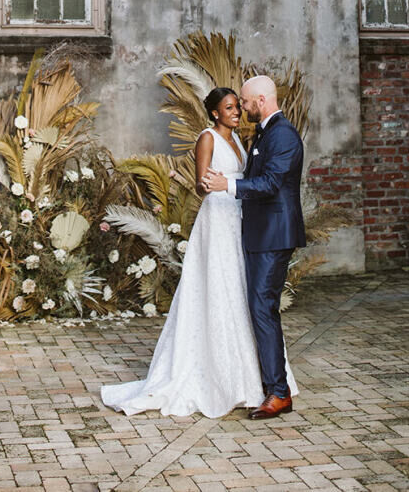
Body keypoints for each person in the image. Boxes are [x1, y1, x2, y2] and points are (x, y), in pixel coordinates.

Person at [101, 87, 298, 418]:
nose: (236, 112)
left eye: (239, 106)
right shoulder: (207, 138)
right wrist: (212, 184)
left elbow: (257, 179)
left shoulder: (242, 141)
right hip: (219, 218)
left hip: (241, 218)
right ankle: (220, 376)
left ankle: (250, 377)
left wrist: (230, 184)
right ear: (214, 113)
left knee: (242, 294)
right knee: (220, 289)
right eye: (230, 107)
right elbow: (199, 185)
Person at [203, 74, 305, 419]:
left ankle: (278, 392)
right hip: (260, 234)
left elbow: (272, 183)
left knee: (263, 308)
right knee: (261, 308)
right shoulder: (265, 133)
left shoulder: (283, 135)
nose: (243, 108)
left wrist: (227, 184)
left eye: (245, 102)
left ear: (260, 101)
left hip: (274, 236)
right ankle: (273, 386)